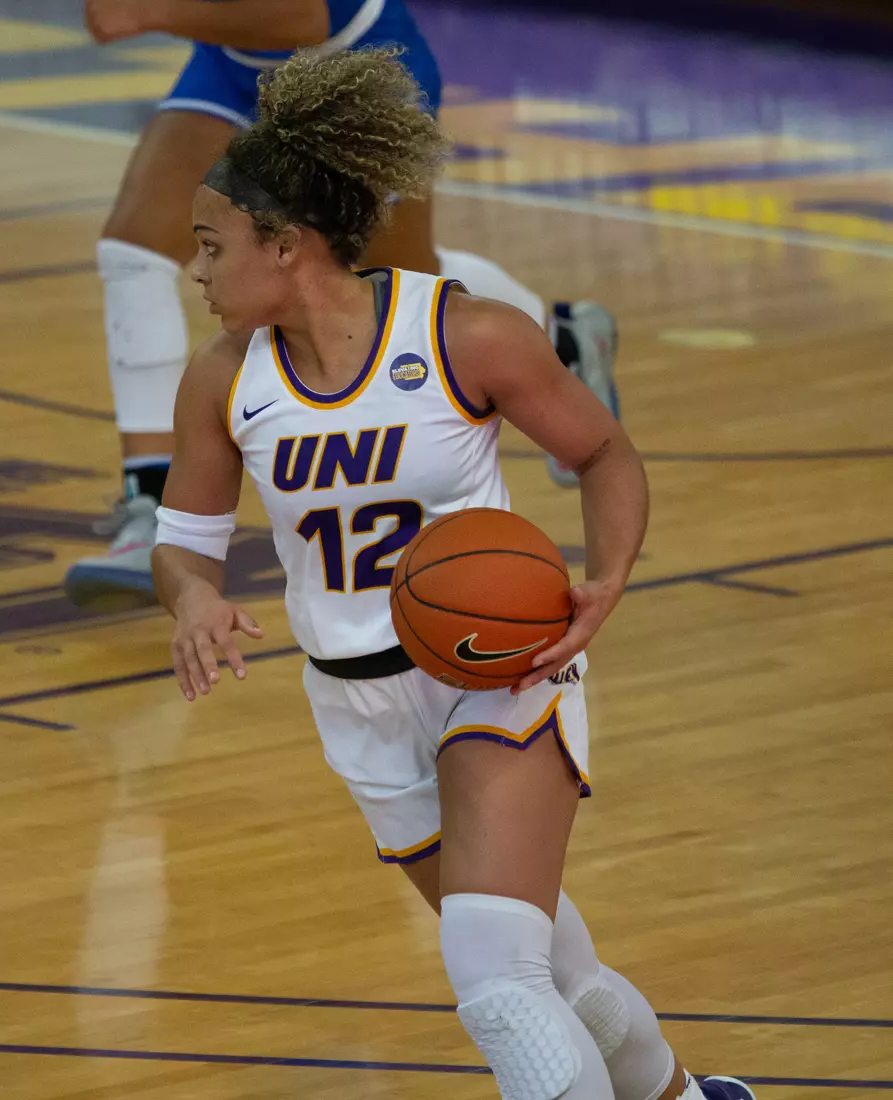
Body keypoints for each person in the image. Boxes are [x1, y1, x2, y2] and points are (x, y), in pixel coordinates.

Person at [150, 47, 753, 1100]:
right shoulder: (221, 382)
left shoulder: (463, 332)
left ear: (285, 246)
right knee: (559, 969)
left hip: (500, 664)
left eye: (211, 247)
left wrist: (607, 574)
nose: (195, 271)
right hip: (359, 701)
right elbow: (185, 539)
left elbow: (604, 450)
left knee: (498, 987)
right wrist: (192, 594)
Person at [64, 0, 619, 608]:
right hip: (235, 61)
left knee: (393, 283)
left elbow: (307, 16)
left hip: (354, 59)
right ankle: (148, 505)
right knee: (131, 252)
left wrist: (152, 14)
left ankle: (558, 335)